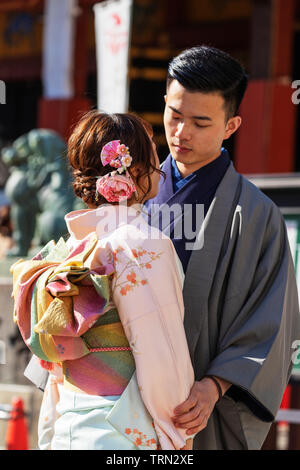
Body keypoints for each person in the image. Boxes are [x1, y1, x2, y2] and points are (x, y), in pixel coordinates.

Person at [145, 45, 300, 450]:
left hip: (196, 407)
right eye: (174, 116)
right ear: (164, 102)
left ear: (231, 126)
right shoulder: (129, 194)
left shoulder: (257, 215)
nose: (181, 134)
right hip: (122, 392)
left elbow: (271, 321)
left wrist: (214, 386)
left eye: (200, 122)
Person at [11, 111, 195, 450]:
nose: (162, 166)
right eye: (155, 157)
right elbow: (160, 350)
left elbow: (56, 363)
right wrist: (177, 433)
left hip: (72, 418)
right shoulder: (141, 242)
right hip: (123, 428)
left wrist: (52, 432)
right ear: (135, 170)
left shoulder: (75, 246)